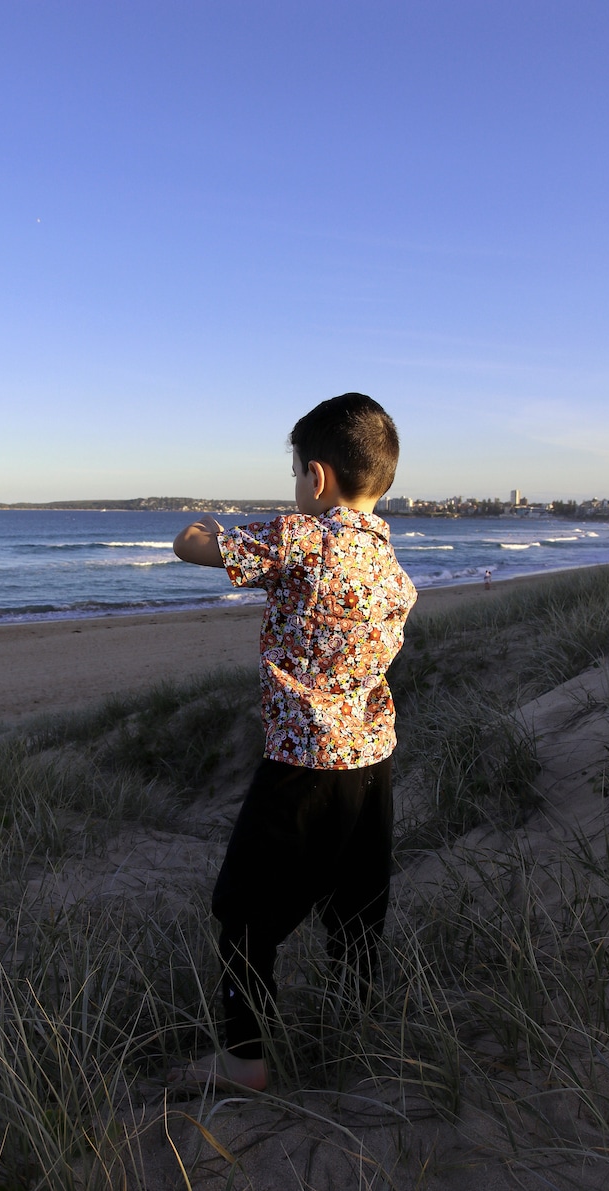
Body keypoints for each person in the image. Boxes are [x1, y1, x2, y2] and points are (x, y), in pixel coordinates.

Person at [171, 392, 417, 1092]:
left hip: (302, 765)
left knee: (245, 909)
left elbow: (194, 547)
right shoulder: (389, 562)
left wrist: (200, 526)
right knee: (358, 909)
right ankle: (357, 1031)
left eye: (295, 479)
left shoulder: (300, 536)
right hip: (372, 765)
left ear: (317, 477)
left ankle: (245, 1059)